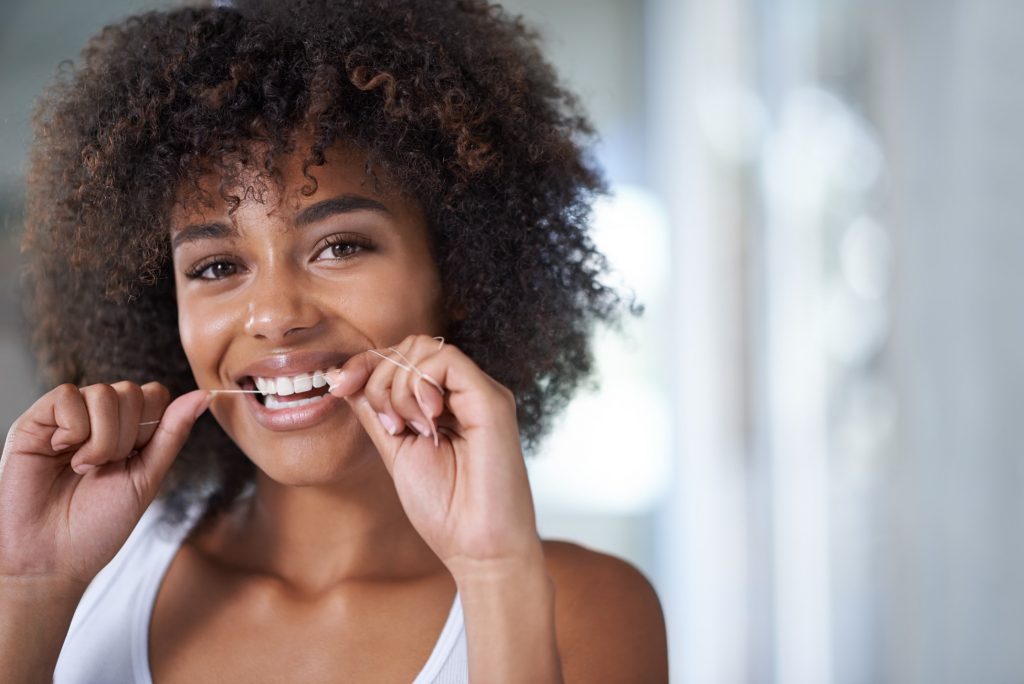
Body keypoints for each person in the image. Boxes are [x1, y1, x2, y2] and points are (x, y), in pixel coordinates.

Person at [0, 0, 668, 681]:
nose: (273, 315)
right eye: (217, 267)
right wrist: (29, 590)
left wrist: (494, 571)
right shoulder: (82, 579)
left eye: (340, 246)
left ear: (460, 272)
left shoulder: (583, 606)